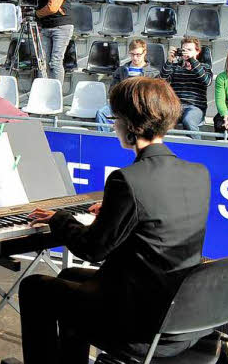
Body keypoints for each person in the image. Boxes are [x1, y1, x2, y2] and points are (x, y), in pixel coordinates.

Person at [20, 77, 210, 364]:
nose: (113, 125)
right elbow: (157, 218)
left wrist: (60, 219)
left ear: (132, 126)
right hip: (183, 314)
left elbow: (93, 249)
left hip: (142, 325)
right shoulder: (198, 173)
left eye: (116, 118)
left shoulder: (127, 180)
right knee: (68, 277)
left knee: (34, 287)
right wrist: (116, 209)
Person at [93, 38, 160, 131]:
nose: (135, 58)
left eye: (138, 54)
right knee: (102, 113)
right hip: (122, 105)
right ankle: (105, 139)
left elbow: (155, 96)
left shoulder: (153, 73)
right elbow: (112, 91)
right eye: (132, 54)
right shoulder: (121, 70)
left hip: (140, 107)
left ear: (144, 53)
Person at [159, 36, 212, 139]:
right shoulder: (175, 67)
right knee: (160, 120)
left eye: (189, 50)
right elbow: (161, 81)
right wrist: (169, 61)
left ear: (197, 52)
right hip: (175, 107)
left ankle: (197, 148)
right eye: (184, 50)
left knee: (188, 120)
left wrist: (192, 60)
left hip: (195, 107)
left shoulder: (204, 67)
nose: (186, 52)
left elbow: (207, 81)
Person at [34, 0, 73, 85]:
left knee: (55, 61)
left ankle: (56, 95)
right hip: (46, 25)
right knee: (42, 61)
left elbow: (52, 7)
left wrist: (36, 14)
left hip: (61, 25)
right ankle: (42, 93)